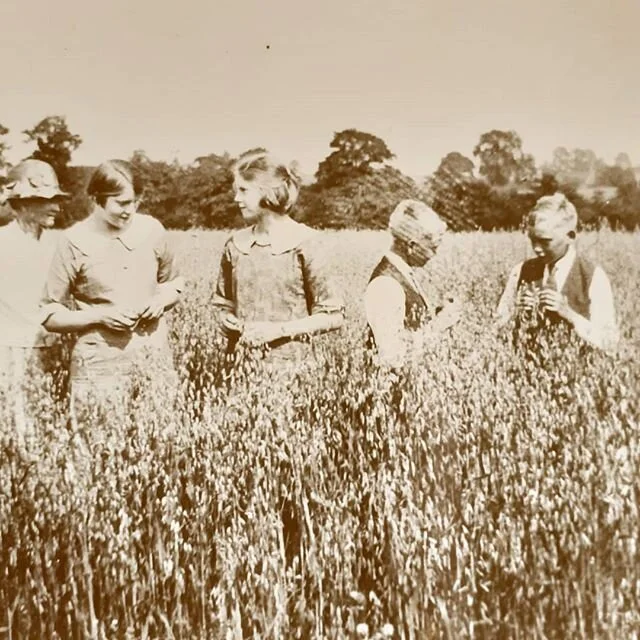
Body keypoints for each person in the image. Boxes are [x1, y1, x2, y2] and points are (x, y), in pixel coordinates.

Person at [40, 160, 185, 419]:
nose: (130, 210)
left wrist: (161, 301)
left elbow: (173, 284)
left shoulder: (152, 230)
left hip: (153, 357)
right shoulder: (73, 241)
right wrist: (100, 316)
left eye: (134, 202)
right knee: (100, 446)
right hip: (97, 366)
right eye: (122, 203)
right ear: (97, 198)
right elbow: (50, 314)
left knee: (161, 444)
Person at [213, 149, 344, 370]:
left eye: (244, 190)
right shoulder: (235, 244)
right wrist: (226, 319)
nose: (237, 199)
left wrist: (277, 331)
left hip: (295, 372)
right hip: (239, 370)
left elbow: (333, 316)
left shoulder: (308, 243)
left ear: (268, 192)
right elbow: (222, 303)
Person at [495, 192, 618, 353]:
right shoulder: (521, 271)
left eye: (545, 241)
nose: (537, 248)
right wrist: (518, 313)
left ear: (570, 237)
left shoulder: (593, 276)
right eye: (533, 240)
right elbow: (497, 329)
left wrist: (569, 314)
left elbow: (609, 343)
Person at [0, 159, 68, 444]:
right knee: (16, 430)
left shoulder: (58, 245)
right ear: (23, 203)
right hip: (9, 352)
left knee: (47, 424)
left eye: (56, 200)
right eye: (46, 200)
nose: (56, 207)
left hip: (51, 349)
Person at [364, 199, 462, 369]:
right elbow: (391, 357)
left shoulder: (402, 273)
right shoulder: (385, 285)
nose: (434, 255)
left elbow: (410, 330)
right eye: (432, 248)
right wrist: (440, 325)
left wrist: (439, 315)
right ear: (411, 246)